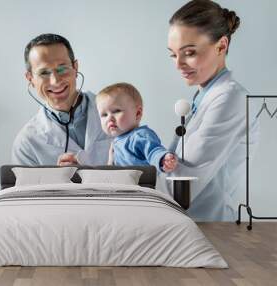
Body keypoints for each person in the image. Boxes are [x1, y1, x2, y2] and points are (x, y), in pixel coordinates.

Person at [164, 0, 259, 221]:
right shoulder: (205, 96)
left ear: (221, 45)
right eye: (173, 54)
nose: (178, 64)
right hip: (191, 225)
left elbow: (184, 183)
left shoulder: (230, 99)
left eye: (189, 52)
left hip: (211, 230)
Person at [10, 34, 111, 166]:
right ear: (30, 79)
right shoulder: (27, 144)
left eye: (62, 68)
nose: (55, 81)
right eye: (44, 73)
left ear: (75, 68)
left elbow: (140, 175)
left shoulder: (119, 113)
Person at [96, 83, 177, 172]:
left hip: (141, 184)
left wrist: (162, 159)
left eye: (116, 111)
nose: (109, 118)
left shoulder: (139, 135)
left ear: (137, 113)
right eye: (104, 115)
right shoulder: (116, 142)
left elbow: (153, 151)